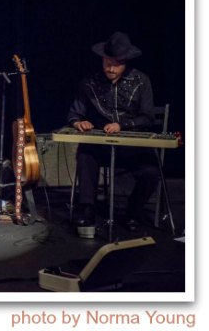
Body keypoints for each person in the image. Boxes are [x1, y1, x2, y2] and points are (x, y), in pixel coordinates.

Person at [67, 31, 160, 232]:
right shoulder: (89, 83)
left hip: (131, 147)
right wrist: (79, 123)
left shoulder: (141, 81)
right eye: (107, 62)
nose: (110, 67)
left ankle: (133, 211)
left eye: (116, 63)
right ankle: (87, 209)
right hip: (101, 147)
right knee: (85, 153)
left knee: (151, 172)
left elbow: (148, 117)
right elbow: (74, 113)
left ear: (125, 62)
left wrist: (122, 124)